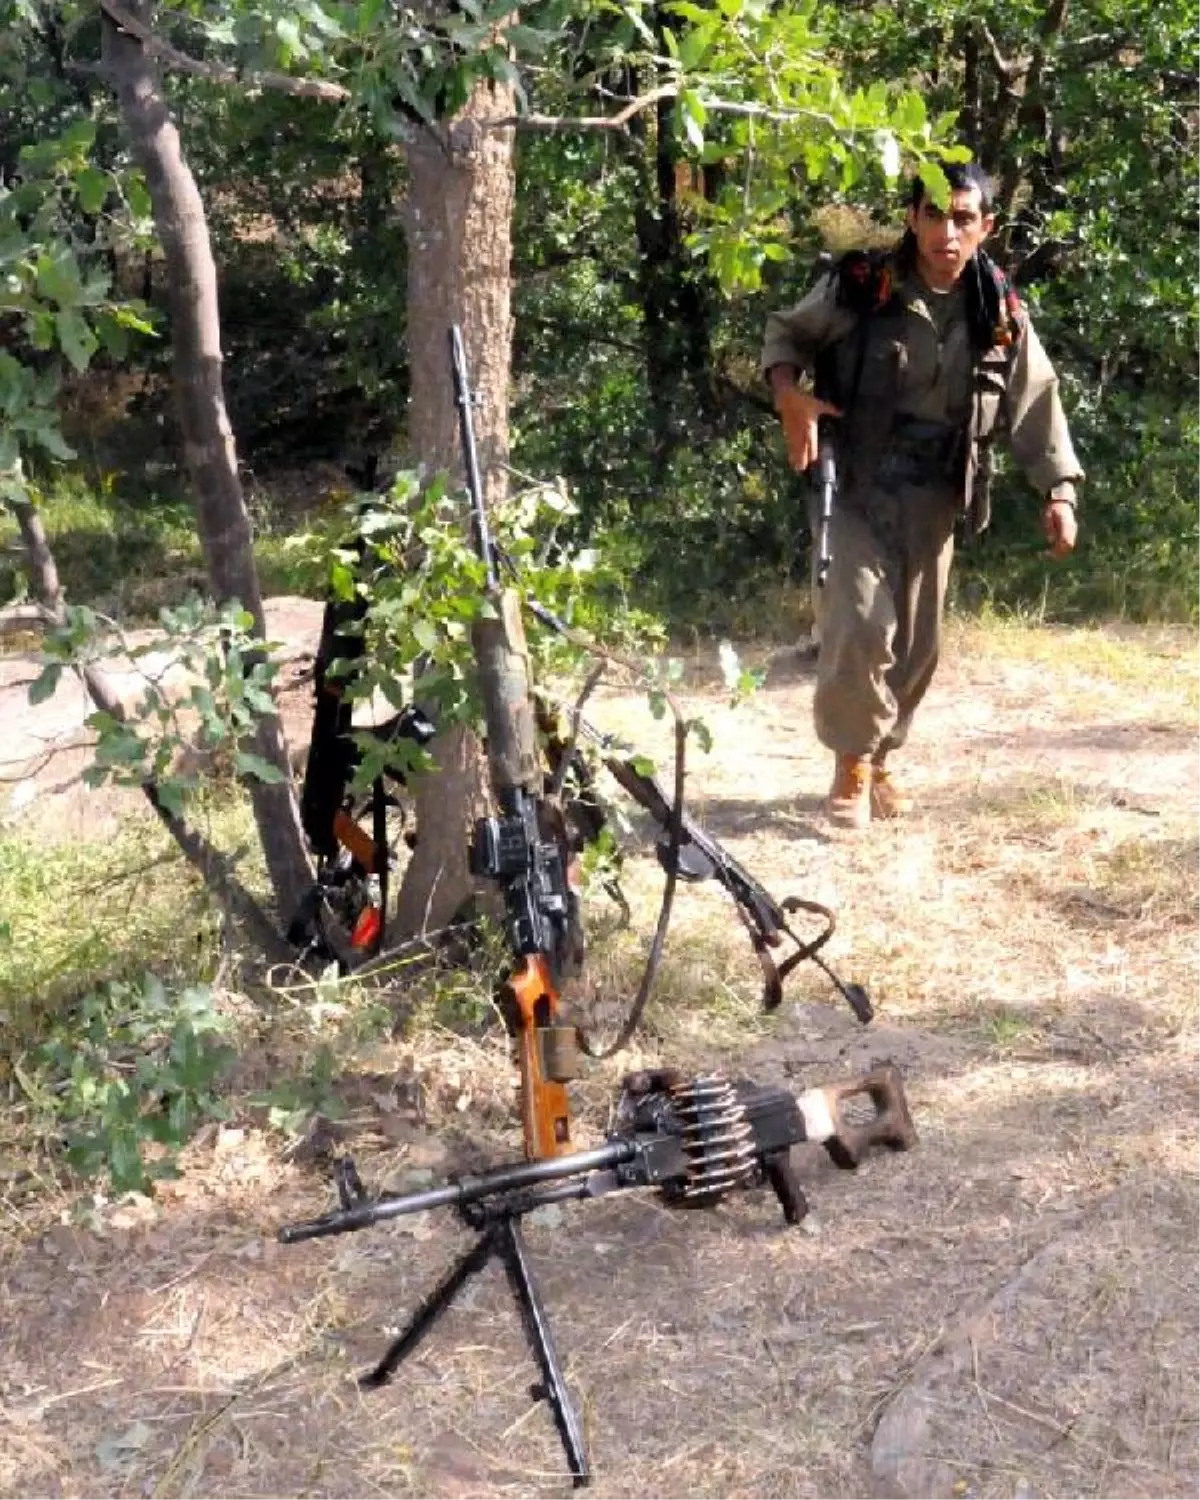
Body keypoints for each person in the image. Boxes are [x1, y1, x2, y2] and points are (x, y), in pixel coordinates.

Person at [762, 162, 1082, 828]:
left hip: (938, 492)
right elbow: (788, 333)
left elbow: (1035, 398)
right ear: (912, 219)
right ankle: (850, 760)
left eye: (963, 218)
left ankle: (883, 757)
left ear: (985, 227)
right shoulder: (862, 286)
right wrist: (789, 396)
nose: (947, 231)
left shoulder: (998, 308)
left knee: (916, 642)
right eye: (934, 215)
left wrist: (1059, 490)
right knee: (857, 624)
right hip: (857, 481)